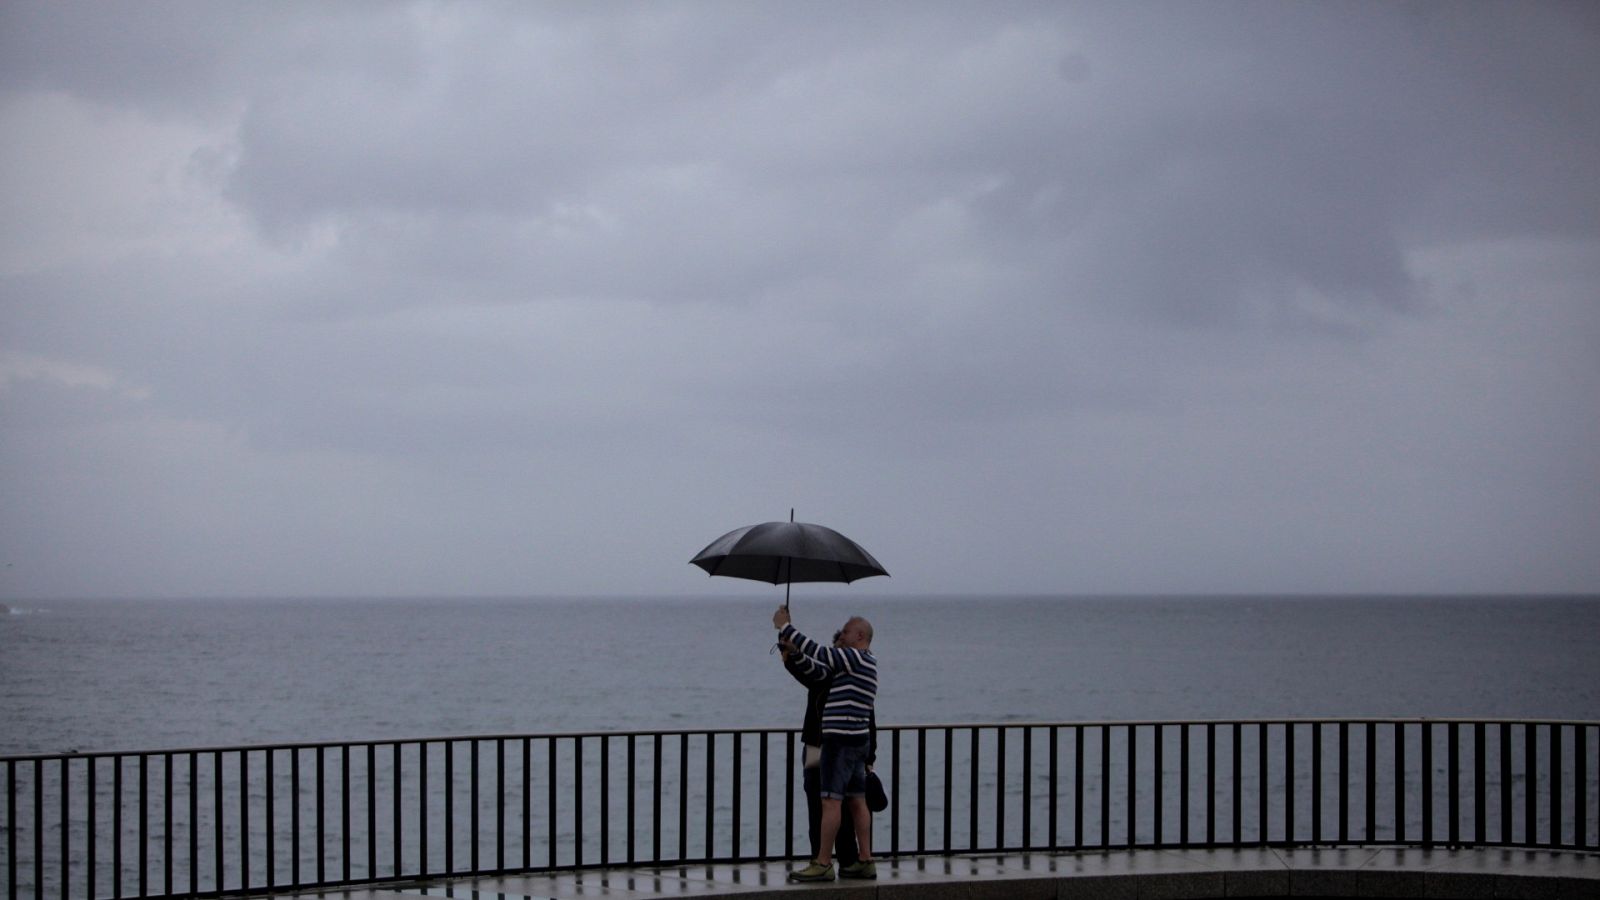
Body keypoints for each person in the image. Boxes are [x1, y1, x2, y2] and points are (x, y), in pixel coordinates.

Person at [772, 606, 877, 882]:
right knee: (843, 800)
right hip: (833, 743)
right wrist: (792, 654)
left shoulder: (852, 660)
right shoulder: (854, 668)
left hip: (835, 743)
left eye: (845, 633)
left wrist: (785, 627)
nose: (840, 637)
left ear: (857, 637)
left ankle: (823, 861)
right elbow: (814, 672)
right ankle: (860, 860)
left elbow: (820, 655)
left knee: (829, 801)